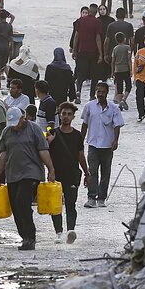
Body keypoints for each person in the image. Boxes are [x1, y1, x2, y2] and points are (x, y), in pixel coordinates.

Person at [0, 106, 56, 251]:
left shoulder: (34, 129)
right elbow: (3, 154)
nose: (16, 126)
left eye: (18, 122)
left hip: (31, 173)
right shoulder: (7, 132)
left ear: (24, 118)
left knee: (22, 201)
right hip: (13, 174)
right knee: (15, 205)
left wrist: (51, 170)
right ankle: (24, 236)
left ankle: (30, 237)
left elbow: (43, 151)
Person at [48, 102, 89, 244]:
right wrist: (49, 142)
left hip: (72, 175)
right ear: (59, 115)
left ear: (73, 117)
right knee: (56, 205)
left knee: (71, 204)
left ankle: (70, 231)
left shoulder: (77, 135)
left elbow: (81, 155)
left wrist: (87, 173)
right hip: (55, 175)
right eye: (63, 114)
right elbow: (42, 152)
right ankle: (58, 233)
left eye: (69, 114)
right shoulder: (52, 133)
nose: (66, 117)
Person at [79, 81, 124, 208]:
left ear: (107, 93)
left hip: (107, 145)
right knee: (92, 171)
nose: (100, 94)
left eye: (103, 92)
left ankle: (102, 198)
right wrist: (80, 141)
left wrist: (115, 140)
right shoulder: (89, 106)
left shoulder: (114, 108)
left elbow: (117, 125)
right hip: (93, 144)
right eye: (98, 92)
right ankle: (91, 197)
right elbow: (85, 124)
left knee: (106, 172)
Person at [70, 5, 103, 100]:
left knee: (81, 73)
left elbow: (76, 36)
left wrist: (74, 50)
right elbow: (98, 38)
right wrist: (101, 54)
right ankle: (92, 95)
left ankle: (78, 91)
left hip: (82, 51)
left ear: (88, 11)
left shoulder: (81, 21)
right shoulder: (97, 22)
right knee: (94, 74)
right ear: (96, 12)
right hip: (94, 52)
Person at [111, 33, 133, 106]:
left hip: (117, 70)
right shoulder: (127, 47)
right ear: (124, 39)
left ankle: (120, 102)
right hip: (126, 69)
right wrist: (131, 70)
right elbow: (129, 59)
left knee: (119, 87)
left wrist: (112, 71)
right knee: (128, 86)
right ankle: (124, 99)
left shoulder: (115, 48)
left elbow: (113, 61)